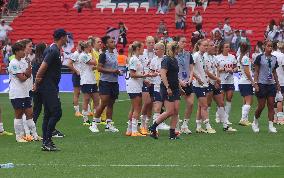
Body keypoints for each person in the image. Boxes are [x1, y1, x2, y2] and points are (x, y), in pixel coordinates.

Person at [34, 28, 67, 151]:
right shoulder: (53, 50)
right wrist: (37, 81)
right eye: (66, 36)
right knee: (56, 112)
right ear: (62, 37)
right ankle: (47, 139)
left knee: (48, 114)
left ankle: (46, 142)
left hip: (50, 86)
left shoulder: (53, 49)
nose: (67, 38)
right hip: (48, 87)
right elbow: (43, 67)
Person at [148, 41, 183, 140]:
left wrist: (180, 88)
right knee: (170, 111)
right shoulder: (166, 60)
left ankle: (172, 134)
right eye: (177, 49)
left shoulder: (174, 60)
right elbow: (163, 74)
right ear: (173, 49)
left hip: (175, 88)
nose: (178, 51)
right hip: (167, 88)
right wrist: (168, 87)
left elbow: (175, 76)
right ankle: (153, 127)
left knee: (176, 111)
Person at [89, 36, 120, 133]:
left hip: (114, 82)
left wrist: (117, 72)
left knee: (111, 103)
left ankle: (109, 124)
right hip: (105, 82)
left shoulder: (115, 54)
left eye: (114, 41)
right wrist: (112, 71)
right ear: (106, 44)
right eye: (111, 42)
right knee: (104, 103)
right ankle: (94, 123)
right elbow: (99, 68)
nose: (114, 43)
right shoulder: (103, 55)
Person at [8, 42, 37, 142]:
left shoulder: (24, 61)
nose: (23, 52)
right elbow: (22, 78)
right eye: (21, 50)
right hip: (17, 93)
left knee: (30, 114)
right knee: (19, 114)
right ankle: (19, 136)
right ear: (16, 52)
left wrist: (28, 68)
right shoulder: (13, 63)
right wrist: (26, 74)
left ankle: (34, 135)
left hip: (25, 92)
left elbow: (28, 73)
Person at [205, 40, 237, 132]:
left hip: (217, 82)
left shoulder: (214, 57)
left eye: (213, 45)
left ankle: (225, 125)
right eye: (211, 45)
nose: (213, 47)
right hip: (208, 83)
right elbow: (207, 71)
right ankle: (205, 125)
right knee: (207, 104)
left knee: (221, 103)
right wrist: (219, 76)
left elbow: (217, 69)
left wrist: (217, 80)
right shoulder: (205, 57)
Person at [126, 41, 153, 136]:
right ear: (138, 49)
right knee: (137, 108)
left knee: (134, 108)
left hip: (135, 85)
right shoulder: (134, 59)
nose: (143, 50)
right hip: (134, 86)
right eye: (142, 48)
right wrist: (145, 75)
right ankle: (134, 131)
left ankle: (129, 130)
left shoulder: (135, 59)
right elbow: (132, 74)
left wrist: (145, 80)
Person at [253, 40, 280, 133]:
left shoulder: (274, 58)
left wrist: (278, 84)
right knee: (261, 106)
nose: (270, 48)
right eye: (268, 46)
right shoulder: (259, 57)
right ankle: (255, 121)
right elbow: (256, 71)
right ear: (264, 46)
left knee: (271, 105)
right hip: (261, 83)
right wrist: (255, 83)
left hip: (271, 84)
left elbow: (274, 72)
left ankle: (271, 125)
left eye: (271, 46)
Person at [192, 39, 216, 134]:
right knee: (205, 106)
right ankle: (207, 126)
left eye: (207, 46)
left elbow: (205, 70)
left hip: (204, 83)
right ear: (198, 46)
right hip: (198, 85)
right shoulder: (196, 56)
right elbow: (191, 69)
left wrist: (210, 78)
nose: (206, 47)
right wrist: (198, 78)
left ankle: (198, 126)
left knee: (201, 106)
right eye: (204, 45)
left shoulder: (202, 56)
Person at [216, 42, 238, 124]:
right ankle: (218, 116)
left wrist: (233, 70)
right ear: (222, 48)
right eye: (226, 47)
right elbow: (217, 68)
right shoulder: (217, 57)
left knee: (229, 98)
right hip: (221, 80)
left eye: (228, 47)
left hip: (230, 81)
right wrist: (225, 70)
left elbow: (236, 67)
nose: (228, 48)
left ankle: (226, 117)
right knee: (221, 100)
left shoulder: (232, 57)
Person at [78, 41, 99, 126]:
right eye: (90, 47)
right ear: (86, 48)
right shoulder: (83, 56)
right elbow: (93, 62)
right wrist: (94, 58)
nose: (91, 48)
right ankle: (85, 119)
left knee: (96, 99)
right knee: (86, 99)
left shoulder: (88, 55)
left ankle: (95, 118)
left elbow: (93, 67)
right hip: (86, 80)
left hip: (92, 80)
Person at [176, 36, 194, 134]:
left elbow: (191, 68)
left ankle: (185, 125)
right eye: (182, 41)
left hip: (187, 81)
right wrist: (179, 81)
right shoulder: (173, 55)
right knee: (176, 106)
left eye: (185, 42)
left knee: (191, 103)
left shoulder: (188, 54)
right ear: (177, 42)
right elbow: (172, 71)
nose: (184, 43)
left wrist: (190, 79)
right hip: (177, 82)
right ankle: (177, 126)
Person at [238, 42, 255, 126]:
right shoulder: (245, 58)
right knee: (249, 101)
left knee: (245, 102)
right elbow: (247, 71)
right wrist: (252, 81)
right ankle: (243, 119)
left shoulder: (240, 57)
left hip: (242, 81)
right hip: (246, 82)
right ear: (248, 49)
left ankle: (244, 118)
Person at [149, 42, 165, 134]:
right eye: (154, 49)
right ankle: (155, 129)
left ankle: (176, 128)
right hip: (157, 86)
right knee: (157, 108)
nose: (155, 51)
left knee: (171, 108)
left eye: (157, 49)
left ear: (162, 50)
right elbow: (151, 73)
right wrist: (153, 74)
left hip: (166, 87)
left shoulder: (167, 59)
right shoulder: (153, 60)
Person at [67, 41, 83, 117]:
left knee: (85, 93)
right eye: (80, 46)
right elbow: (69, 64)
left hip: (83, 75)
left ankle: (87, 110)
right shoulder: (75, 54)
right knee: (77, 93)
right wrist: (76, 71)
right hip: (77, 75)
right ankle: (77, 111)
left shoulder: (82, 54)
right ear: (78, 46)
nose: (81, 48)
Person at [272, 41, 284, 124]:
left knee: (274, 99)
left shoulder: (270, 55)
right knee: (280, 99)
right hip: (281, 79)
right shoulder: (281, 55)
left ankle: (275, 118)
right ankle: (280, 118)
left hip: (271, 81)